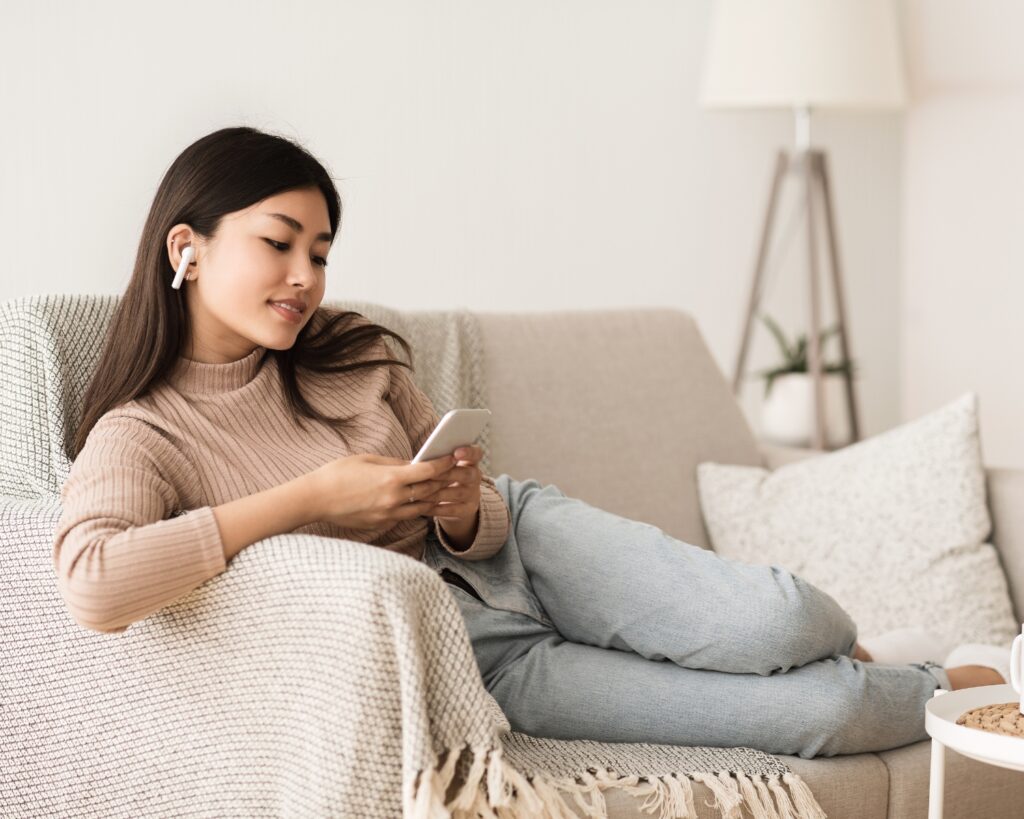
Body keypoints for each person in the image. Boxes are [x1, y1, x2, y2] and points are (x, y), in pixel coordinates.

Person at [52, 126, 1006, 762]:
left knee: (781, 622)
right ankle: (961, 678)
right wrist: (311, 502)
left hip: (533, 549)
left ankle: (880, 647)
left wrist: (466, 510)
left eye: (323, 251)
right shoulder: (143, 432)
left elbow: (477, 507)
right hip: (479, 661)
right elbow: (92, 582)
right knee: (825, 714)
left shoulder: (352, 358)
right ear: (186, 247)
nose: (307, 275)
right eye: (281, 241)